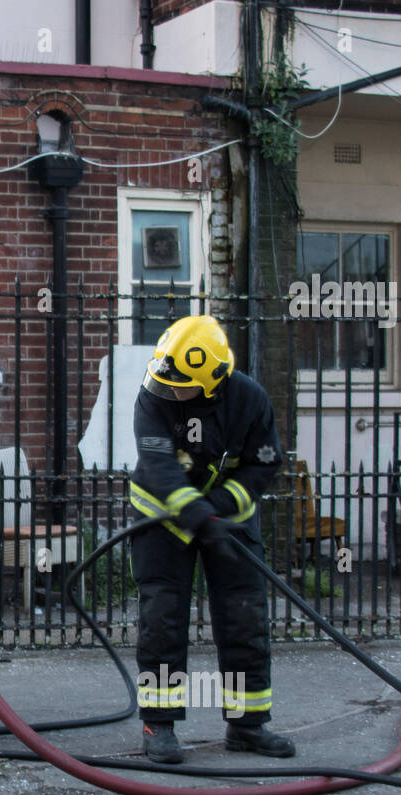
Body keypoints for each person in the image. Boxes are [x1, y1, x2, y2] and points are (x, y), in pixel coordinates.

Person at [127, 314, 295, 764]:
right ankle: (157, 724)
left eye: (179, 382)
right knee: (162, 618)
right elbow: (158, 464)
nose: (165, 387)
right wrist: (196, 511)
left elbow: (264, 462)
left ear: (213, 380)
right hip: (161, 520)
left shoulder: (250, 399)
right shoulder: (153, 396)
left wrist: (218, 506)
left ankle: (248, 725)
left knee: (244, 617)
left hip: (228, 521)